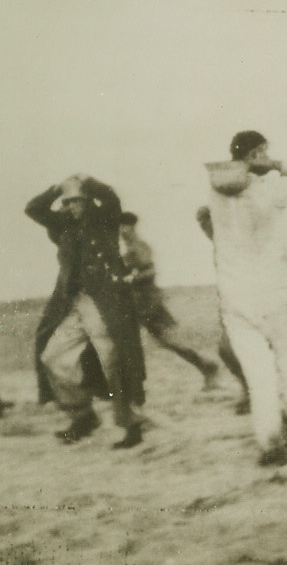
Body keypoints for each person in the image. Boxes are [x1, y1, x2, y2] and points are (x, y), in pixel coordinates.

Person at [199, 131, 287, 466]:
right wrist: (277, 165)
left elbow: (205, 216)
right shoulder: (271, 189)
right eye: (264, 152)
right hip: (278, 289)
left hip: (236, 296)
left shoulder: (214, 192)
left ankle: (270, 444)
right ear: (258, 154)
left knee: (258, 374)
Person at [25, 175, 147, 448]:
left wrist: (87, 181)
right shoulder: (61, 225)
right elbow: (33, 209)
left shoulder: (105, 219)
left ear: (88, 202)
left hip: (105, 303)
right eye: (66, 203)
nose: (71, 208)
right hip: (73, 302)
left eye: (77, 201)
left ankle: (131, 425)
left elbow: (111, 197)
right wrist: (57, 188)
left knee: (114, 360)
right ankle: (82, 416)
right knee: (52, 357)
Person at [118, 212, 223, 388]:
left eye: (123, 226)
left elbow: (150, 271)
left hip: (148, 303)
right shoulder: (130, 248)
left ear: (131, 226)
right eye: (119, 227)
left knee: (169, 341)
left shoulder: (138, 246)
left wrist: (130, 279)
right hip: (136, 303)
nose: (121, 231)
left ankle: (206, 365)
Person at [195, 206, 252, 414]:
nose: (205, 229)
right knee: (226, 350)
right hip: (230, 303)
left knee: (233, 349)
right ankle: (249, 390)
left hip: (250, 302)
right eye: (202, 225)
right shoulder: (219, 248)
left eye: (208, 223)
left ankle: (255, 393)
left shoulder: (237, 241)